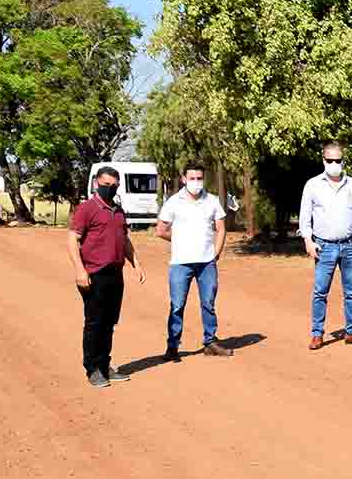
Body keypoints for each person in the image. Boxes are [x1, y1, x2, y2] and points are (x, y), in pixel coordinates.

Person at [66, 166, 146, 388]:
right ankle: (92, 369)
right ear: (96, 184)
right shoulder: (86, 209)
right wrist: (80, 270)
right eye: (106, 185)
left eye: (114, 186)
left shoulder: (118, 211)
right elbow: (73, 239)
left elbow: (124, 239)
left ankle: (104, 366)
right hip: (94, 275)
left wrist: (135, 263)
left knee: (109, 323)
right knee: (95, 323)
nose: (109, 189)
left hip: (115, 274)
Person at [155, 163, 232, 361]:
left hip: (207, 263)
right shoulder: (173, 202)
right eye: (192, 178)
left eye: (199, 178)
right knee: (178, 304)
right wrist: (180, 239)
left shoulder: (212, 200)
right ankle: (172, 347)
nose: (196, 182)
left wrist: (216, 252)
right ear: (183, 179)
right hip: (181, 263)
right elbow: (160, 230)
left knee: (208, 303)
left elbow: (221, 228)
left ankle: (210, 342)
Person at [299, 140, 352, 350]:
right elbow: (305, 217)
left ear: (343, 161)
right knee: (320, 291)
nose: (334, 164)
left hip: (350, 246)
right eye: (330, 160)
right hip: (324, 247)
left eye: (338, 160)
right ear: (323, 160)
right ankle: (317, 333)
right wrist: (308, 241)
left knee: (351, 291)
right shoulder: (313, 185)